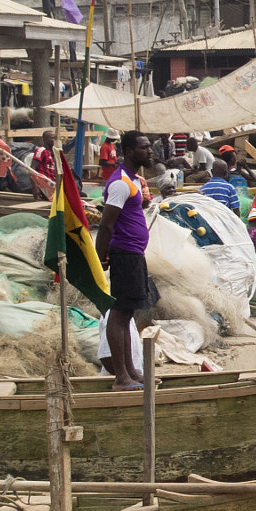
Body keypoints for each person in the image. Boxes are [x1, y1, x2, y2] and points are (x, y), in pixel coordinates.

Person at [94, 130, 158, 390]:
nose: (150, 151)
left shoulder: (133, 180)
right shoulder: (120, 182)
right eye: (144, 147)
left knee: (128, 312)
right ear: (130, 151)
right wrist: (101, 256)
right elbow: (106, 224)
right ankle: (121, 376)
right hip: (124, 253)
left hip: (134, 253)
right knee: (118, 314)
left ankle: (131, 369)